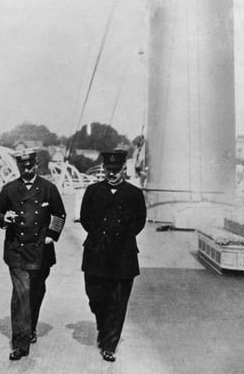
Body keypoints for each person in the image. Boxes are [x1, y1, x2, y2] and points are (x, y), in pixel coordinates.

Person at [0, 148, 66, 361]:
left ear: (36, 165)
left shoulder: (48, 188)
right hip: (16, 248)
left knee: (36, 291)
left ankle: (31, 326)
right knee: (21, 293)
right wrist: (4, 218)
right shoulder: (9, 189)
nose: (26, 169)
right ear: (18, 167)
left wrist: (51, 235)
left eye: (29, 166)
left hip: (41, 250)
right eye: (22, 166)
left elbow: (59, 214)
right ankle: (20, 344)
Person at [79, 150, 146, 362]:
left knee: (118, 303)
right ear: (104, 169)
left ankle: (109, 345)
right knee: (96, 296)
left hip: (123, 255)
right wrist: (101, 237)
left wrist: (122, 238)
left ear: (124, 170)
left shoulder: (134, 194)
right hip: (96, 253)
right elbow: (85, 219)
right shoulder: (93, 191)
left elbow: (139, 222)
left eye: (116, 171)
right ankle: (102, 322)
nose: (112, 174)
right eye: (108, 170)